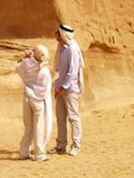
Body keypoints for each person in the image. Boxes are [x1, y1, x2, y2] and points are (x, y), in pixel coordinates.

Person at [15, 44, 53, 161]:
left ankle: (23, 152)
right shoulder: (44, 71)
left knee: (28, 127)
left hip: (26, 98)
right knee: (39, 126)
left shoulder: (26, 64)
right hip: (38, 102)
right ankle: (39, 154)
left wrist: (25, 57)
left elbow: (17, 67)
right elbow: (45, 89)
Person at [52, 23, 84, 156]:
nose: (56, 36)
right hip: (60, 88)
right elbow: (60, 70)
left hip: (70, 90)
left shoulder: (72, 49)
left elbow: (72, 72)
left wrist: (62, 88)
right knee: (60, 118)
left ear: (63, 34)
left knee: (73, 118)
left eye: (58, 33)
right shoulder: (62, 48)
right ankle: (60, 146)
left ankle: (76, 146)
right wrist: (57, 87)